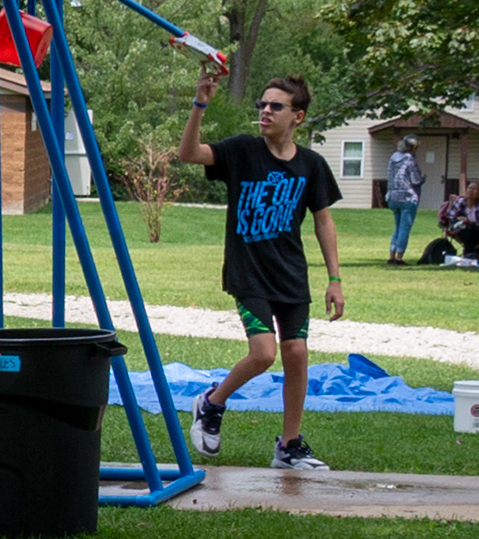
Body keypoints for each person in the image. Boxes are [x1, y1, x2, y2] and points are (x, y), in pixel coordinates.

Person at [176, 66, 345, 471]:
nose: (265, 111)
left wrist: (335, 279)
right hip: (248, 272)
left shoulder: (311, 165)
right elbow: (189, 154)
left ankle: (289, 446)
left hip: (291, 274)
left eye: (276, 106)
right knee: (264, 353)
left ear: (298, 116)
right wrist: (200, 104)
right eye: (262, 104)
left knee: (297, 353)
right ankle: (212, 402)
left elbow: (323, 222)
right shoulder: (242, 151)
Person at [384, 137, 425, 264]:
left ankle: (391, 255)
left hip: (392, 196)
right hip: (407, 197)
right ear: (413, 147)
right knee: (404, 228)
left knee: (397, 227)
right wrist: (423, 177)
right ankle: (399, 257)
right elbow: (415, 180)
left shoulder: (393, 158)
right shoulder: (410, 159)